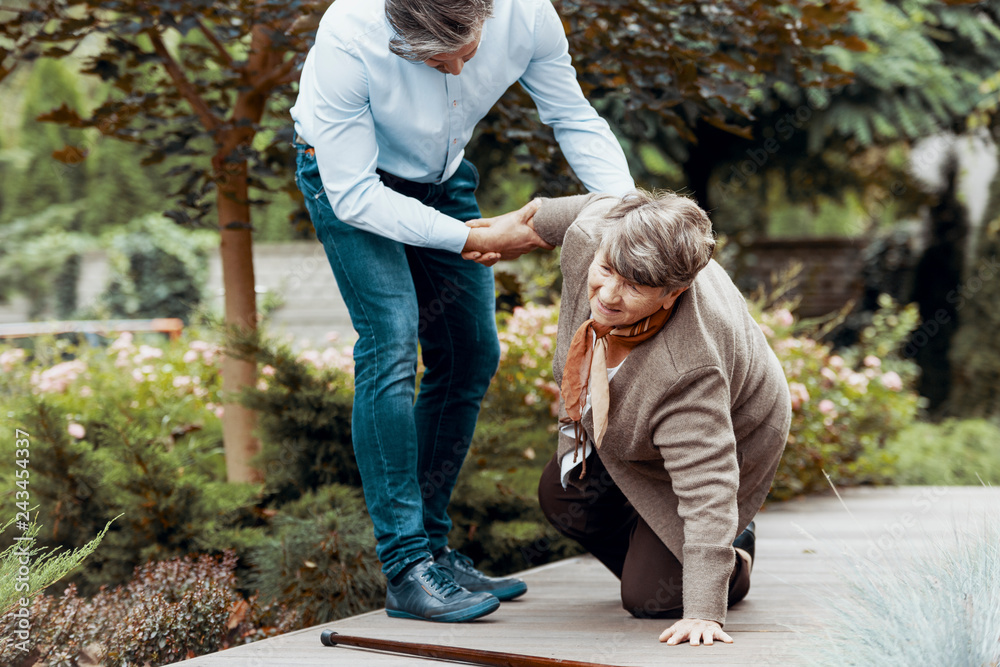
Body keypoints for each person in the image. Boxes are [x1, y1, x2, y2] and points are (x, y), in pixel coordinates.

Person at [289, 0, 634, 623]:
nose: (450, 70)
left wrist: (630, 214)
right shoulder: (350, 33)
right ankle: (405, 567)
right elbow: (354, 194)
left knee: (472, 352)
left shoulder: (528, 15)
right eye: (428, 60)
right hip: (348, 182)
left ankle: (435, 552)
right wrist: (475, 239)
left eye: (464, 54)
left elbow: (571, 115)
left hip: (442, 180)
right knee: (390, 343)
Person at [485, 191, 790, 645]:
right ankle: (667, 541)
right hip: (647, 429)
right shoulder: (595, 237)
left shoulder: (689, 372)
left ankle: (732, 550)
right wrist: (514, 226)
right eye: (606, 271)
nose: (607, 295)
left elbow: (708, 486)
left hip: (736, 434)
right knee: (562, 493)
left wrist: (704, 612)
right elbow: (602, 202)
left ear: (672, 293)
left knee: (650, 598)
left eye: (634, 286)